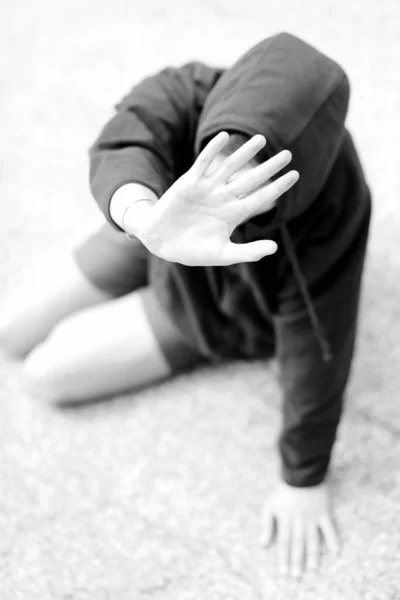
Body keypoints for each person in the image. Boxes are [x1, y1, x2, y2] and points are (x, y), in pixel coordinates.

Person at [0, 32, 371, 578]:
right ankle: (133, 221)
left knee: (46, 375)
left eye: (251, 180)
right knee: (10, 328)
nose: (227, 184)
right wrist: (141, 214)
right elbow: (124, 137)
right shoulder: (192, 88)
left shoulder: (334, 207)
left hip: (217, 309)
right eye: (220, 153)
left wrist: (303, 478)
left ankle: (177, 313)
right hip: (152, 229)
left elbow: (319, 344)